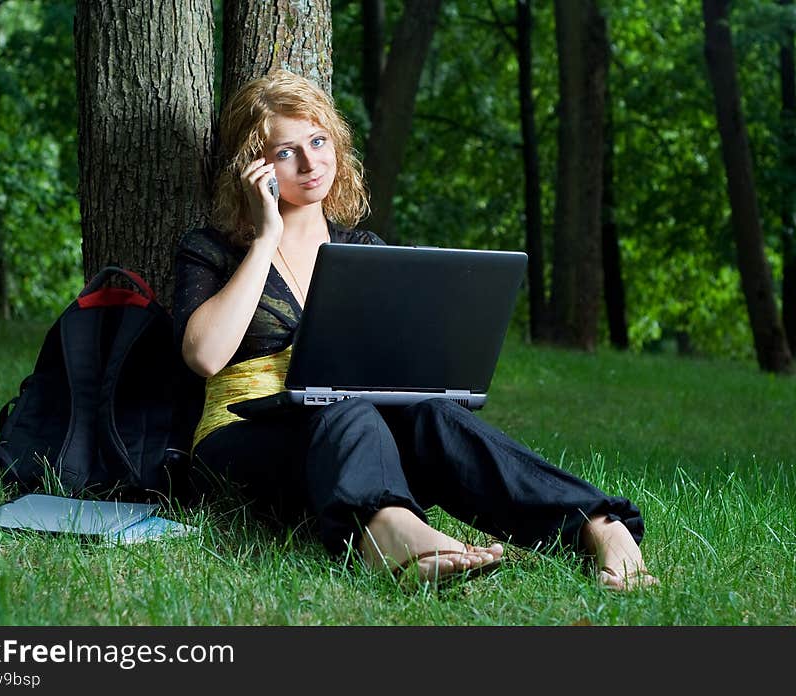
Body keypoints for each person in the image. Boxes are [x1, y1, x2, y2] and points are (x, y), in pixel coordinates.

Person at [173, 69, 658, 591]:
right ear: (256, 167)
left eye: (318, 141)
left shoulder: (365, 250)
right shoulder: (212, 250)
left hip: (357, 439)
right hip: (244, 440)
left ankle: (600, 527)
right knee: (344, 405)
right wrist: (266, 236)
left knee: (433, 416)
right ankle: (394, 538)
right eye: (288, 152)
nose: (312, 162)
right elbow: (204, 356)